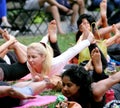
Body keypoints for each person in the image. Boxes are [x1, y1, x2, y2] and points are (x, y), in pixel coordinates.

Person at [0, 19, 95, 81]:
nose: (30, 60)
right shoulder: (29, 63)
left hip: (61, 70)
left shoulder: (55, 63)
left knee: (78, 72)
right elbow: (34, 49)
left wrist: (88, 41)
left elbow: (72, 51)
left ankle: (86, 66)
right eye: (28, 57)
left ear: (43, 57)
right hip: (46, 72)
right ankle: (49, 36)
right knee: (35, 48)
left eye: (33, 57)